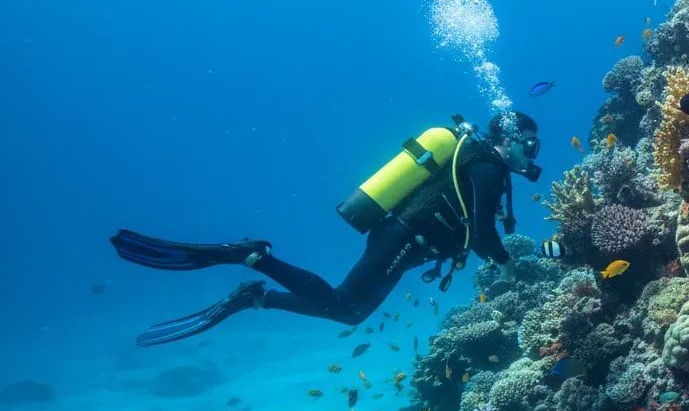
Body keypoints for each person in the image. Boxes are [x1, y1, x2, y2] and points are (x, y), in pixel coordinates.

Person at [111, 112, 541, 346]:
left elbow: (475, 227)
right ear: (509, 137)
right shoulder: (486, 167)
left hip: (412, 245)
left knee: (350, 313)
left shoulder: (484, 165)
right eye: (530, 142)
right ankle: (251, 256)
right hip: (405, 238)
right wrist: (506, 266)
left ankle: (256, 297)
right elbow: (483, 232)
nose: (533, 152)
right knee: (341, 303)